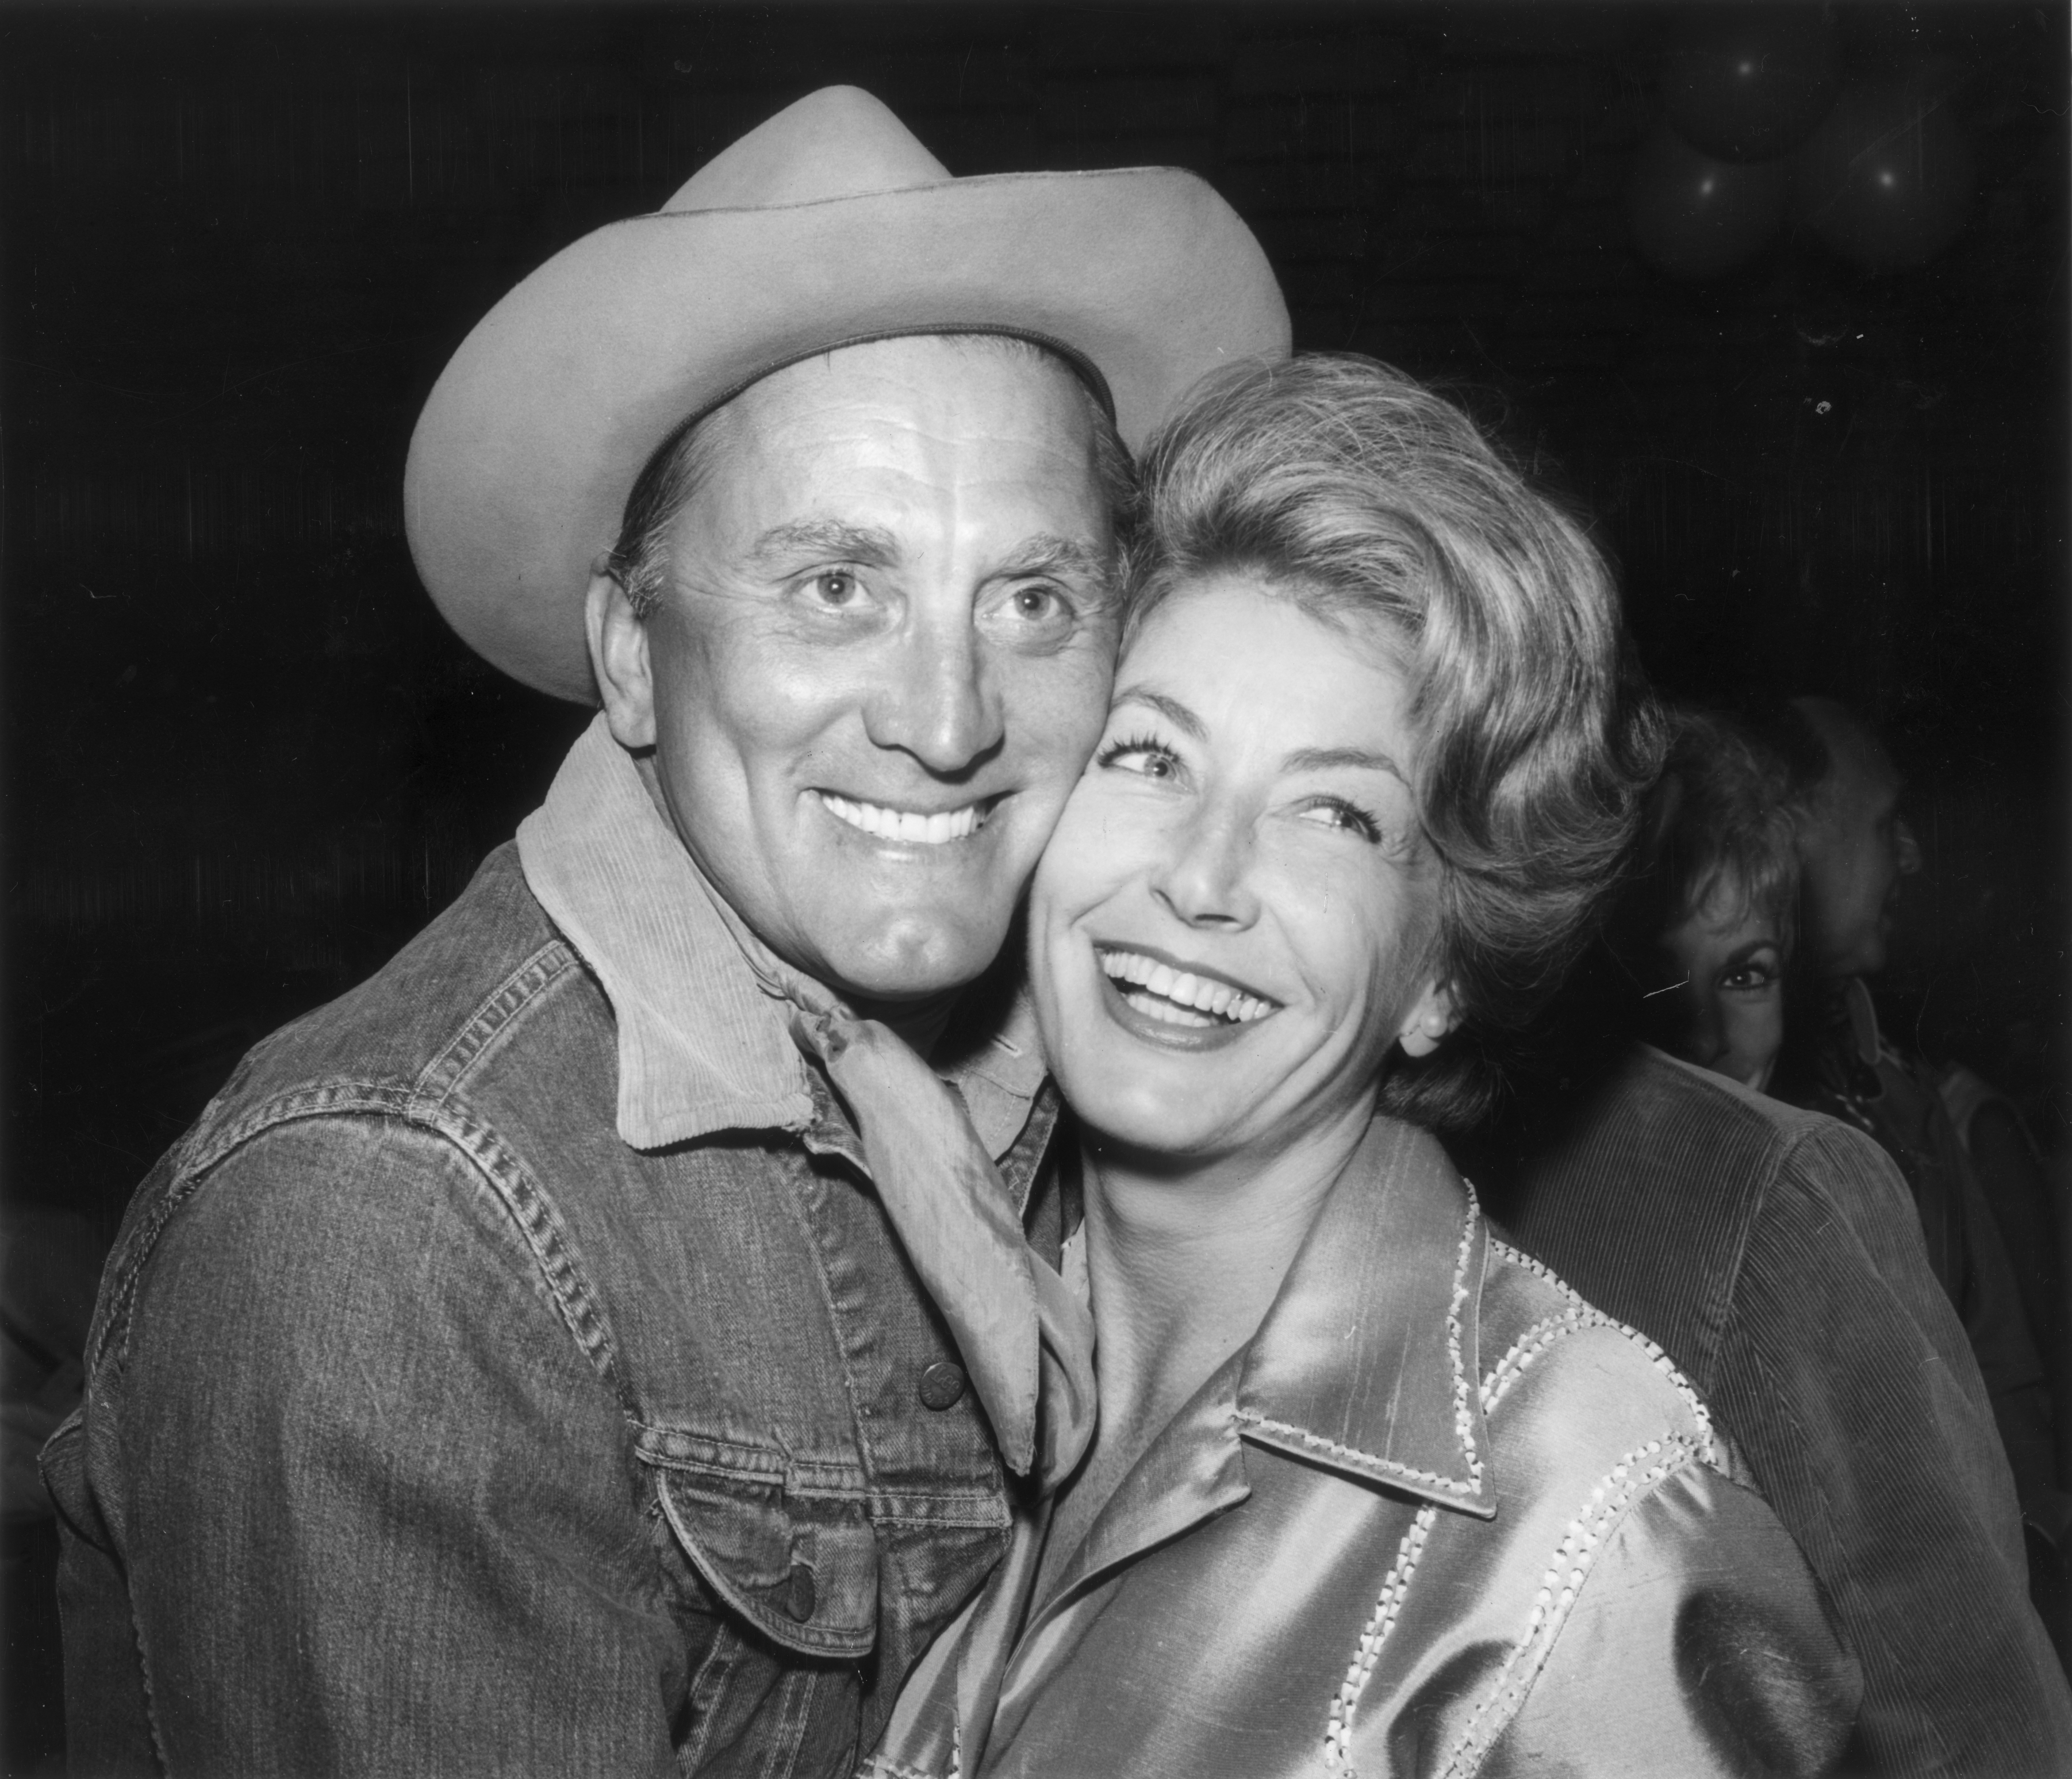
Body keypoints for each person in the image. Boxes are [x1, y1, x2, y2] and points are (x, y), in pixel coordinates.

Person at [39, 88, 1290, 1774]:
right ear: (632, 655)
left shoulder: (1098, 1072)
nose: (946, 717)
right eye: (834, 586)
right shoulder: (390, 1228)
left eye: (1032, 598)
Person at [865, 356, 1863, 1778]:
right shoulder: (903, 1327)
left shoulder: (1593, 1523)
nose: (1202, 878)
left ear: (1440, 975)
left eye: (1334, 813)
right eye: (1149, 759)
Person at [1491, 701, 2072, 1769]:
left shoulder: (1830, 1172)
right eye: (1661, 979)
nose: (1708, 1030)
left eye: (1748, 973)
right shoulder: (1768, 1195)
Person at [1769, 696, 2064, 1556]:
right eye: (1885, 823)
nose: (1913, 854)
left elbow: (2009, 1376)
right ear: (1791, 844)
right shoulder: (1708, 1092)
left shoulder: (1905, 1099)